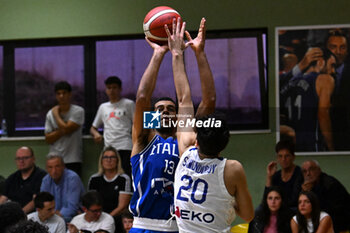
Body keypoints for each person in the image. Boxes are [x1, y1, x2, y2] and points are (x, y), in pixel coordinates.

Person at [129, 17, 216, 232]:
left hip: (181, 226)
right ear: (153, 117)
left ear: (178, 117)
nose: (165, 112)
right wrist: (158, 55)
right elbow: (142, 97)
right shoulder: (145, 138)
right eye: (159, 110)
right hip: (146, 224)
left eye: (170, 109)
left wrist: (200, 54)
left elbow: (209, 101)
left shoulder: (185, 135)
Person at [167, 18, 254, 232]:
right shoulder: (233, 169)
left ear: (197, 140)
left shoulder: (186, 151)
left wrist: (177, 54)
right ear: (225, 142)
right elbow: (248, 215)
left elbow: (183, 99)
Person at [280, 48, 336, 151]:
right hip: (313, 145)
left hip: (291, 148)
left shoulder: (289, 83)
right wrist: (331, 147)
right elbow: (323, 113)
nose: (333, 71)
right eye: (332, 65)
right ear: (321, 62)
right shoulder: (325, 79)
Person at [90, 76, 135, 177]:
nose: (112, 90)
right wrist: (96, 134)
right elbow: (93, 128)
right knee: (110, 176)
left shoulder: (129, 104)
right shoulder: (103, 107)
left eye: (114, 87)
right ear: (106, 90)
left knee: (126, 176)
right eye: (109, 88)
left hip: (125, 146)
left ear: (120, 89)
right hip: (109, 148)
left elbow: (137, 124)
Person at [88, 146, 132, 233]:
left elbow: (122, 206)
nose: (109, 160)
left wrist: (106, 219)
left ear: (117, 160)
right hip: (97, 216)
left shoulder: (123, 179)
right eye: (106, 157)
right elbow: (91, 203)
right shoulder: (94, 179)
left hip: (117, 217)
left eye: (112, 157)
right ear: (101, 160)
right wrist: (98, 217)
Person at [45, 81, 84, 175]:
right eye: (58, 94)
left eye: (64, 93)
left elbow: (67, 129)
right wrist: (63, 129)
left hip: (73, 158)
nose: (61, 96)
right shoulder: (50, 114)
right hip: (55, 159)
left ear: (70, 94)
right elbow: (48, 139)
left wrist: (56, 114)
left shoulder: (78, 111)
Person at [301, 160, 350, 232]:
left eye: (311, 169)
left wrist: (310, 193)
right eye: (305, 171)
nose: (308, 173)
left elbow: (329, 209)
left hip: (340, 223)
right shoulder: (305, 185)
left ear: (319, 170)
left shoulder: (330, 184)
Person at [0, 146, 47, 214]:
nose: (21, 161)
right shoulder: (12, 178)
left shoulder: (42, 176)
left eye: (25, 158)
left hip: (32, 216)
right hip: (14, 215)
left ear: (33, 159)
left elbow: (35, 201)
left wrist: (19, 215)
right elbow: (3, 198)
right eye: (18, 158)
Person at [40, 155, 85, 222]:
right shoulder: (46, 180)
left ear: (63, 166)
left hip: (72, 217)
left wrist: (52, 214)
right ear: (46, 169)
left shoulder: (73, 178)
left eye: (57, 166)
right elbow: (42, 205)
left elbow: (72, 208)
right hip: (52, 216)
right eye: (50, 167)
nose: (54, 171)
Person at [326, 31, 350, 150]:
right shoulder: (315, 74)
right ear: (326, 49)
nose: (338, 52)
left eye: (342, 47)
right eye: (333, 47)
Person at [265, 140, 303, 210]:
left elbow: (295, 200)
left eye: (287, 156)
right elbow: (266, 199)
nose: (283, 159)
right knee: (260, 209)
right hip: (278, 209)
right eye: (280, 156)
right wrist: (269, 177)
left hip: (294, 209)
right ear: (277, 158)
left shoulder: (300, 173)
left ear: (293, 157)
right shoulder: (276, 175)